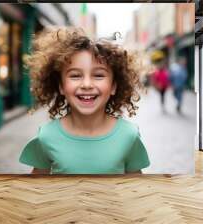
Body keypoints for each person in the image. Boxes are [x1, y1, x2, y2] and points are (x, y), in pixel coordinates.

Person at [19, 27, 150, 174]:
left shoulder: (129, 135)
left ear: (114, 86)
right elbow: (36, 190)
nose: (87, 85)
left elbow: (137, 190)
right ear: (61, 86)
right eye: (75, 75)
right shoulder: (46, 136)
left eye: (98, 75)